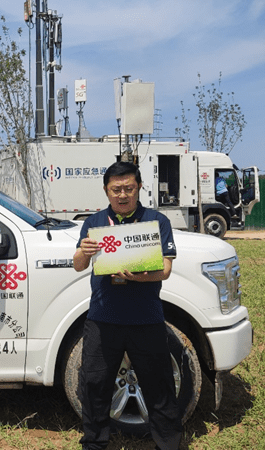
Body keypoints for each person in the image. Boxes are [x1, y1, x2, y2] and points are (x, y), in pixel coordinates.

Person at [73, 161, 182, 450]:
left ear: (139, 187)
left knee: (159, 387)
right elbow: (77, 265)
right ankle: (94, 444)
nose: (123, 195)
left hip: (145, 319)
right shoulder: (94, 223)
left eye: (129, 188)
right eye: (116, 189)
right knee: (95, 387)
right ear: (107, 191)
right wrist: (83, 252)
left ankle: (169, 444)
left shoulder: (156, 222)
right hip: (102, 320)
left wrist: (143, 277)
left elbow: (166, 269)